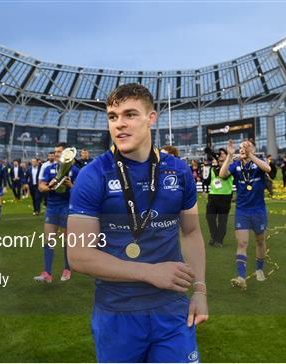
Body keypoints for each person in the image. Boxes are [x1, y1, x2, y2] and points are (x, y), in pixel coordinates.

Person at [68, 83, 208, 362]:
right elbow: (79, 256)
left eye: (130, 114)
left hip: (172, 309)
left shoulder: (178, 171)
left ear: (151, 118)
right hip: (117, 312)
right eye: (112, 116)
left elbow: (191, 233)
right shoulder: (93, 176)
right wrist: (149, 272)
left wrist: (201, 289)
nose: (119, 124)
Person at [219, 139, 271, 290]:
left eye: (246, 147)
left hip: (258, 210)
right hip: (242, 210)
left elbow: (267, 169)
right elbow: (222, 175)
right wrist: (229, 156)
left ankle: (259, 269)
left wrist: (252, 156)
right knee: (242, 244)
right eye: (241, 147)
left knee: (260, 240)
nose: (242, 149)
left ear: (252, 150)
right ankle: (241, 277)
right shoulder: (236, 165)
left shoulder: (258, 162)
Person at [34, 142, 79, 283]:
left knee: (66, 241)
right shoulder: (48, 167)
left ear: (67, 154)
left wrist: (71, 186)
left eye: (59, 151)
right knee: (48, 240)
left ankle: (67, 269)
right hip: (52, 207)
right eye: (55, 151)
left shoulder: (75, 170)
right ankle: (47, 273)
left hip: (67, 207)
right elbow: (41, 186)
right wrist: (49, 187)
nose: (56, 154)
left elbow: (81, 192)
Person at [205, 149, 234, 247]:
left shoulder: (231, 167)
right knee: (210, 217)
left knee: (222, 220)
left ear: (227, 155)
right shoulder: (214, 167)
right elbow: (207, 179)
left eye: (223, 154)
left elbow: (223, 176)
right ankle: (214, 236)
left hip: (225, 196)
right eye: (219, 154)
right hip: (213, 195)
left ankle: (219, 240)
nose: (220, 155)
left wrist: (220, 162)